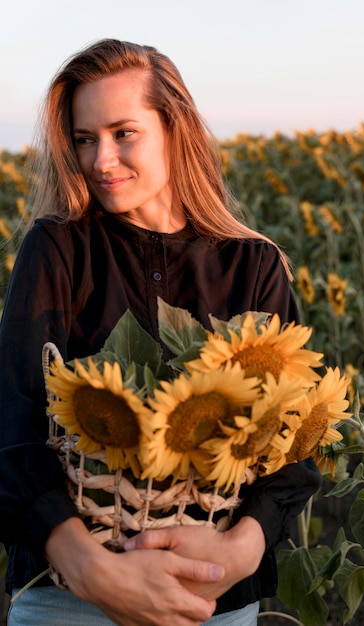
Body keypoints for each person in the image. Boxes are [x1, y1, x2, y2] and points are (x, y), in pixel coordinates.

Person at [0, 39, 321, 626]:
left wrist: (239, 550)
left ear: (175, 129)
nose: (101, 160)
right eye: (83, 138)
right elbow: (13, 425)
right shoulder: (57, 250)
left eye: (124, 133)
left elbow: (290, 446)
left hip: (209, 598)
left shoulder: (252, 266)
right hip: (73, 597)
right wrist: (95, 572)